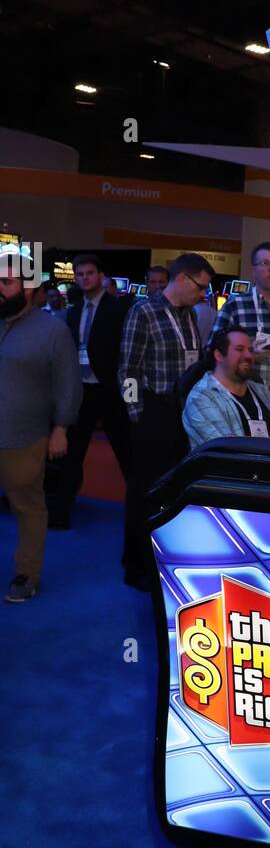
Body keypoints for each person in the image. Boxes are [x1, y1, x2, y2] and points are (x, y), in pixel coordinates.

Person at [119, 252, 214, 589]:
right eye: (201, 286)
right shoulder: (143, 311)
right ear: (184, 279)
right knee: (145, 490)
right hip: (153, 412)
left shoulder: (188, 314)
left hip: (183, 411)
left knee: (175, 488)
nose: (204, 294)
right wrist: (136, 416)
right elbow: (128, 370)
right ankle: (136, 565)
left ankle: (163, 558)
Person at [0, 252, 82, 602]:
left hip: (26, 435)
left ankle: (26, 573)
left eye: (5, 283)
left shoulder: (53, 330)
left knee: (27, 505)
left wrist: (61, 428)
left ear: (29, 287)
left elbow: (68, 384)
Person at [48, 254, 132, 531]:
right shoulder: (72, 310)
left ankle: (141, 512)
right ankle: (60, 512)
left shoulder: (119, 309)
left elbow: (125, 351)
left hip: (109, 390)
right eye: (80, 274)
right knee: (72, 453)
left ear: (101, 276)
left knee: (126, 454)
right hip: (80, 390)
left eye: (90, 273)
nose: (85, 278)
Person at [208, 242, 270, 391]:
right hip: (243, 392)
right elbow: (212, 350)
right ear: (254, 270)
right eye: (265, 263)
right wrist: (249, 355)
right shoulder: (235, 305)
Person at [183, 329, 270, 446]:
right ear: (219, 356)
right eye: (239, 349)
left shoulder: (261, 390)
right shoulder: (201, 398)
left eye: (250, 350)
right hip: (237, 464)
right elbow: (227, 451)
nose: (248, 355)